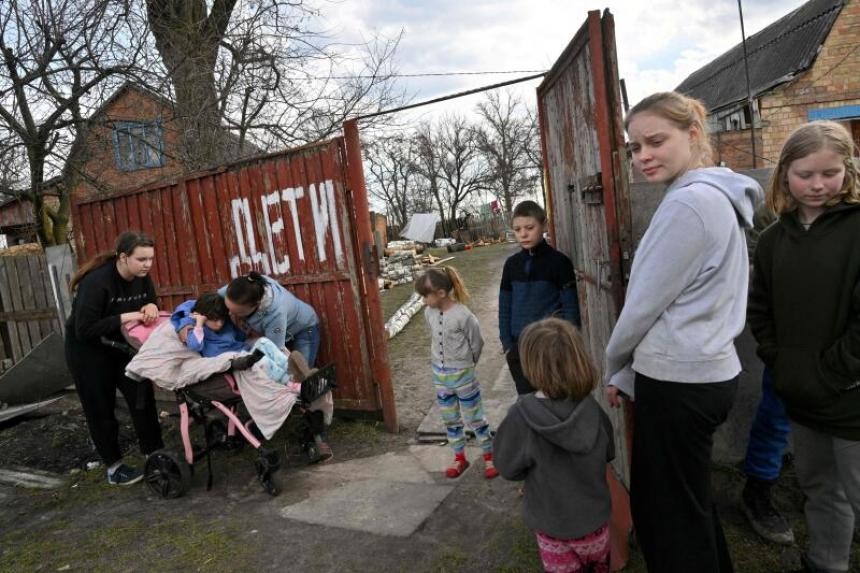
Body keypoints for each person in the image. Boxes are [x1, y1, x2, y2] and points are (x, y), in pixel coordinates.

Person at [604, 91, 762, 572]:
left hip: (679, 384)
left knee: (666, 521)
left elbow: (642, 306)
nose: (643, 155)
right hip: (706, 373)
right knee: (688, 505)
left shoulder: (689, 206)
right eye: (634, 147)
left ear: (693, 134)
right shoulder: (716, 196)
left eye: (655, 141)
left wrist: (615, 363)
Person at [747, 121, 860, 573]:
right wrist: (781, 362)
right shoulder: (774, 240)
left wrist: (834, 373)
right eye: (804, 174)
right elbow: (761, 311)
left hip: (852, 397)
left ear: (847, 171)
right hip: (801, 395)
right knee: (819, 487)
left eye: (829, 173)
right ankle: (825, 562)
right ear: (784, 175)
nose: (817, 185)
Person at [495, 317, 614, 573]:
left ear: (531, 364)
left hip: (553, 529)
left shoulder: (522, 417)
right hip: (596, 525)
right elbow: (609, 453)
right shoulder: (592, 409)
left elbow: (507, 467)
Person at [65, 231, 165, 485]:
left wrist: (151, 307)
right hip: (88, 351)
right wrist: (128, 316)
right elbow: (84, 329)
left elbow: (149, 302)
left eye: (150, 259)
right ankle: (114, 468)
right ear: (123, 257)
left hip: (121, 347)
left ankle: (154, 453)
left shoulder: (142, 278)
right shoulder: (97, 283)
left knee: (142, 396)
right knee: (101, 408)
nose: (147, 265)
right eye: (142, 259)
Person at [220, 272, 330, 462]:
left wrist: (245, 346)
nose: (231, 314)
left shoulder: (275, 311)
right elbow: (215, 298)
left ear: (254, 306)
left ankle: (316, 438)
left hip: (305, 329)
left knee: (300, 383)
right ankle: (269, 422)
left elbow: (273, 351)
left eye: (236, 312)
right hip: (277, 333)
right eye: (228, 308)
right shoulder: (244, 287)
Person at [416, 266, 498, 479]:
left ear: (441, 293)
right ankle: (459, 457)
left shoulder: (464, 315)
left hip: (464, 376)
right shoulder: (429, 313)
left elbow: (477, 342)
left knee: (475, 418)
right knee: (451, 420)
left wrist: (468, 365)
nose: (424, 301)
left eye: (426, 296)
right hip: (441, 378)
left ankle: (490, 457)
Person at [498, 200, 581, 395]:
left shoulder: (560, 263)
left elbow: (570, 309)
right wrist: (507, 344)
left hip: (550, 348)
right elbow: (504, 306)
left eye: (529, 227)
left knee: (555, 400)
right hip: (519, 348)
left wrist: (566, 345)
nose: (523, 234)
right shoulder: (511, 265)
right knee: (527, 403)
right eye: (517, 229)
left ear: (543, 225)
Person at [170, 293, 248, 357]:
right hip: (223, 360)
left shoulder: (226, 323)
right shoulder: (195, 326)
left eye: (222, 319)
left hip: (242, 352)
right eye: (214, 319)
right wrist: (199, 324)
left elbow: (241, 337)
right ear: (203, 316)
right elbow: (195, 345)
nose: (219, 324)